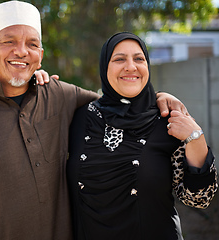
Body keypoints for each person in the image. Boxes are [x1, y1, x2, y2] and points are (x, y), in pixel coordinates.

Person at [0, 1, 190, 239]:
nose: (21, 52)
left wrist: (160, 97)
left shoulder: (61, 95)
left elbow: (117, 97)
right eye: (9, 41)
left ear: (40, 55)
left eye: (31, 44)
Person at [67, 32, 218, 240]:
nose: (131, 66)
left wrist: (196, 138)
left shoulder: (167, 119)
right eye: (119, 59)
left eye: (139, 59)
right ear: (104, 67)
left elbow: (198, 199)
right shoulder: (80, 118)